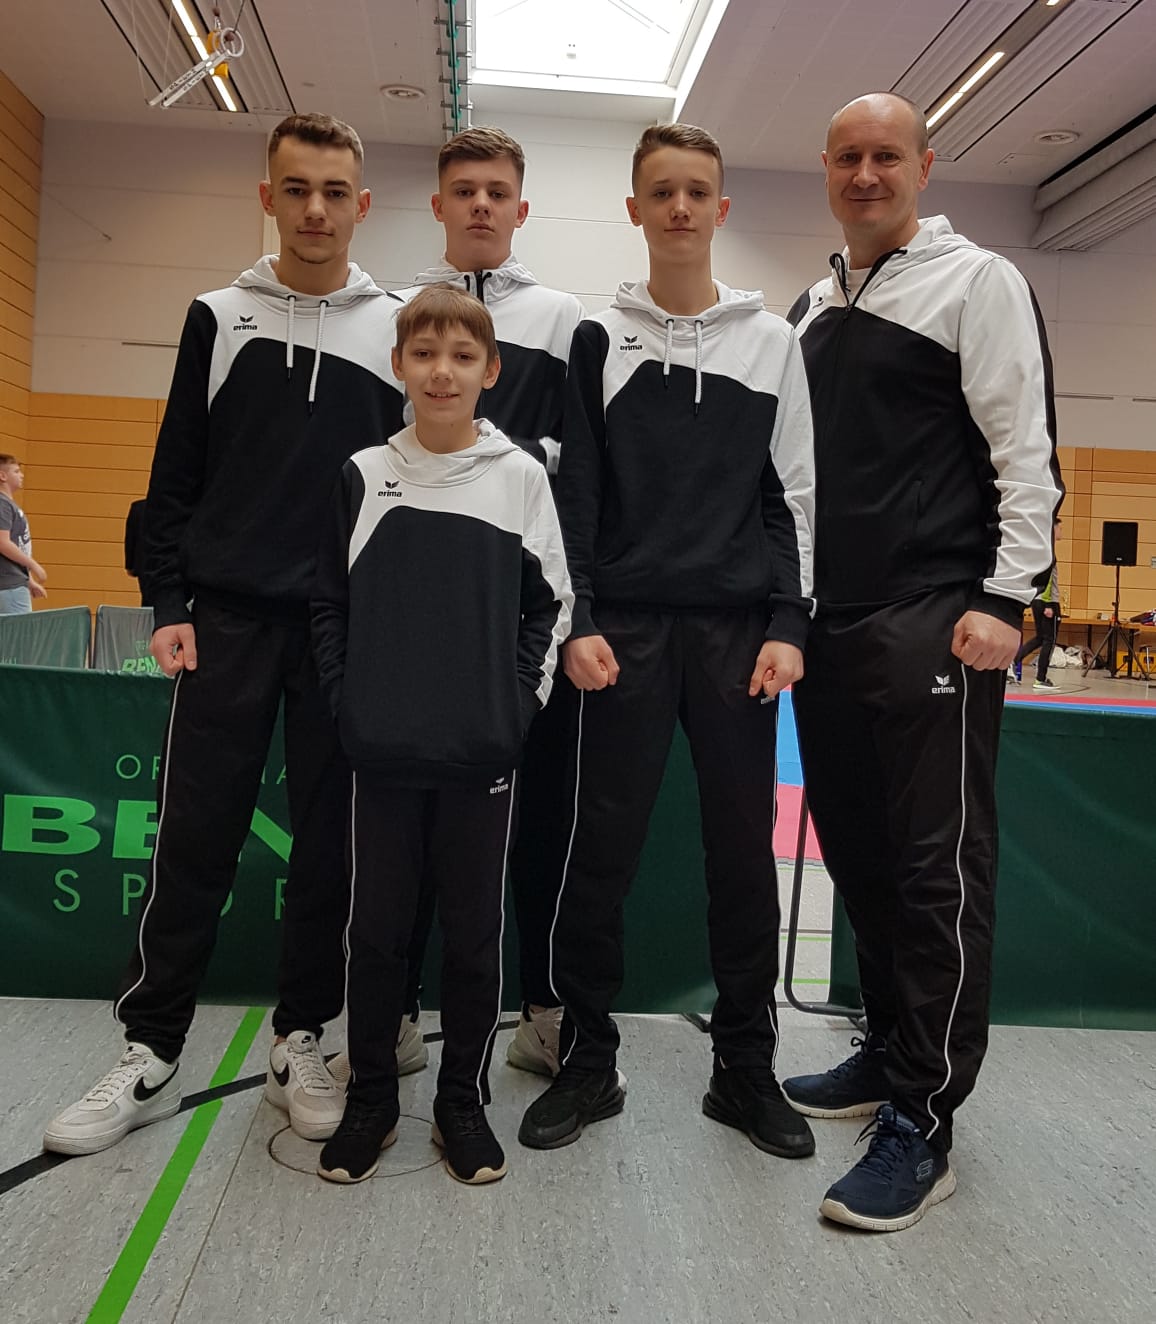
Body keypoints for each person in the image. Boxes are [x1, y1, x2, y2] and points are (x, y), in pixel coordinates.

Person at [43, 113, 405, 1156]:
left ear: (361, 205)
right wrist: (167, 603)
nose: (315, 210)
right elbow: (175, 472)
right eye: (296, 189)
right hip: (225, 624)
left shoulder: (394, 327)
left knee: (331, 850)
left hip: (341, 635)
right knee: (193, 840)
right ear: (267, 196)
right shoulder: (218, 315)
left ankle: (302, 1038)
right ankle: (150, 1049)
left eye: (333, 192)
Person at [783, 91, 1063, 1232]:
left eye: (885, 155)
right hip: (831, 625)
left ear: (924, 166)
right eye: (847, 155)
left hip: (938, 619)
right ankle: (889, 1048)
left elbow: (1024, 450)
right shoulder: (812, 304)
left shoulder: (977, 282)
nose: (865, 173)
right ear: (826, 167)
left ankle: (925, 1117)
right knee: (859, 855)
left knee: (936, 872)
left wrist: (1006, 596)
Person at [518, 123, 818, 1161]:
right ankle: (586, 1058)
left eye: (697, 191)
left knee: (741, 856)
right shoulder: (596, 338)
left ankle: (745, 1066)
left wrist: (789, 622)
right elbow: (577, 497)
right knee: (598, 850)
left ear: (721, 209)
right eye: (662, 191)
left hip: (738, 637)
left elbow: (791, 494)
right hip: (625, 634)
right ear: (635, 209)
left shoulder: (772, 341)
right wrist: (579, 620)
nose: (681, 207)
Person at [311, 284, 572, 1185]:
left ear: (490, 370)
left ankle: (462, 1100)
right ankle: (372, 1100)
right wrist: (351, 703)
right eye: (424, 354)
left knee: (471, 936)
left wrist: (513, 710)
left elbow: (551, 605)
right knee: (377, 933)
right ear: (398, 366)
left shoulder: (521, 477)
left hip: (480, 754)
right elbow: (329, 604)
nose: (442, 372)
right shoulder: (361, 473)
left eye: (462, 356)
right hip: (381, 750)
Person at [393, 126, 585, 1080]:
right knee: (410, 828)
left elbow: (582, 472)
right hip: (421, 621)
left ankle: (543, 1010)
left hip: (525, 623)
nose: (480, 204)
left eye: (496, 191)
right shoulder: (394, 312)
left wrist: (574, 614)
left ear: (520, 207)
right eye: (463, 189)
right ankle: (395, 1011)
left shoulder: (564, 320)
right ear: (439, 205)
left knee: (540, 824)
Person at [1012, 516, 1063, 690]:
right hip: (1047, 601)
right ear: (1052, 529)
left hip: (1037, 600)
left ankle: (1014, 659)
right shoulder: (1049, 551)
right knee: (1049, 640)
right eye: (1059, 528)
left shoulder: (1042, 550)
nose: (1061, 532)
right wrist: (1048, 604)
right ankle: (1041, 678)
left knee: (1041, 637)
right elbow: (1046, 580)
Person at [0, 456, 48, 614]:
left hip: (15, 582)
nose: (21, 475)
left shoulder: (9, 505)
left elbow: (18, 545)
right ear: (2, 476)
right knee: (20, 630)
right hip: (9, 586)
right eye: (16, 471)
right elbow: (3, 543)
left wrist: (29, 580)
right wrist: (33, 565)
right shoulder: (2, 504)